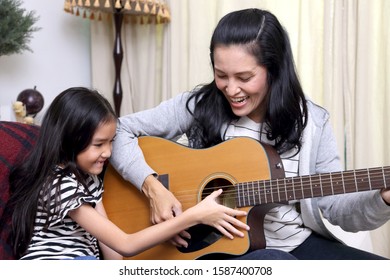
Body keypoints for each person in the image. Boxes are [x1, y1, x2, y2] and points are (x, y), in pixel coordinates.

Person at [110, 8, 390, 260]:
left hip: (296, 245)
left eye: (244, 78)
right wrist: (154, 189)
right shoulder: (200, 105)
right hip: (219, 248)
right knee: (276, 263)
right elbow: (120, 129)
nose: (231, 89)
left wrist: (382, 200)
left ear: (274, 70)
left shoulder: (312, 123)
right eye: (221, 75)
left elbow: (337, 209)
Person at [7, 87, 250, 260]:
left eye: (111, 142)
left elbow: (114, 252)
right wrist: (194, 216)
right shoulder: (60, 186)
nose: (108, 152)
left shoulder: (89, 180)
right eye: (98, 144)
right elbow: (125, 243)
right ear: (69, 140)